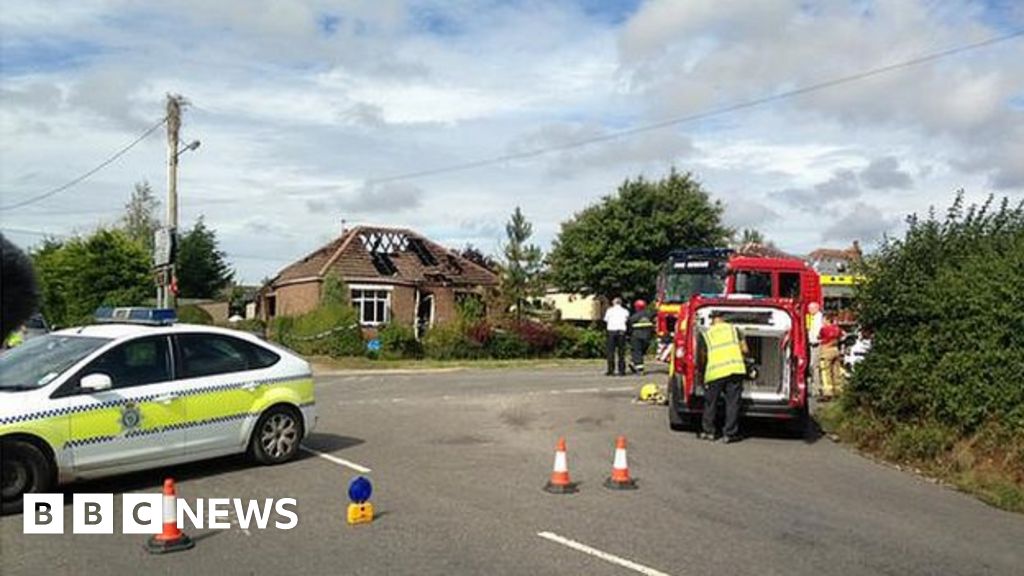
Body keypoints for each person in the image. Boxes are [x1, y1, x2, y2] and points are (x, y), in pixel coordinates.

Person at [698, 311, 749, 443]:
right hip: (735, 369)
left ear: (713, 320)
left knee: (711, 403)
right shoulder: (735, 330)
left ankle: (709, 432)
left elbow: (702, 356)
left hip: (715, 372)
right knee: (732, 403)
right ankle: (729, 434)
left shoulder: (706, 334)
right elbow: (745, 350)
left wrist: (702, 372)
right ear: (723, 319)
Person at [819, 314, 845, 399]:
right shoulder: (837, 328)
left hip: (826, 350)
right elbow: (843, 336)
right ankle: (838, 390)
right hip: (836, 350)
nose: (822, 321)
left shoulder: (824, 329)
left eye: (823, 320)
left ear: (827, 320)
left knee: (825, 372)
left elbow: (819, 337)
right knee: (836, 371)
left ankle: (828, 392)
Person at [603, 297, 630, 376]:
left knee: (611, 351)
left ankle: (611, 370)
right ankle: (621, 371)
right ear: (620, 303)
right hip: (621, 331)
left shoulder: (609, 310)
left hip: (611, 331)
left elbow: (606, 320)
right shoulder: (625, 311)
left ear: (613, 303)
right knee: (621, 352)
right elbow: (626, 320)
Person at [627, 299, 655, 375]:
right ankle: (634, 362)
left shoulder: (633, 317)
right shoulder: (649, 315)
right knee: (641, 352)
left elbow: (629, 328)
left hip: (636, 337)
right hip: (647, 337)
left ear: (636, 307)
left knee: (637, 351)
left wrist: (628, 336)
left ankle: (640, 369)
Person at [806, 302, 824, 399]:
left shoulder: (819, 318)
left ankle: (816, 389)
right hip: (811, 344)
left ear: (816, 308)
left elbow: (819, 332)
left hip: (817, 344)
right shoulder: (811, 317)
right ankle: (814, 388)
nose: (809, 310)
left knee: (814, 366)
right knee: (812, 366)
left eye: (810, 308)